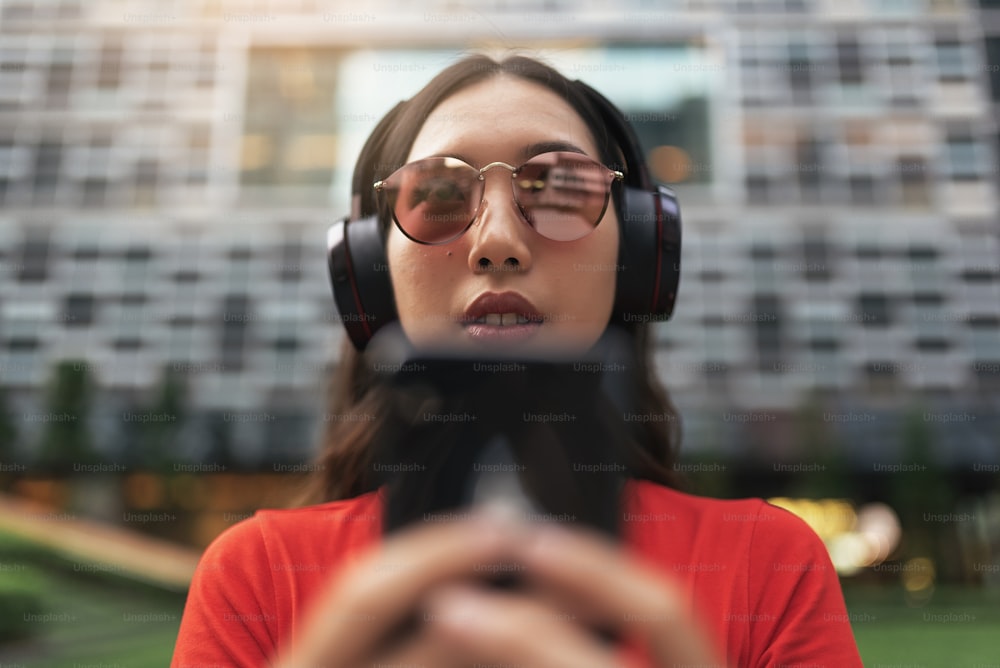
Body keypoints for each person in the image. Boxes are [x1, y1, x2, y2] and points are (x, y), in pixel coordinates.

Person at [172, 53, 863, 667]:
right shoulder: (257, 577)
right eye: (438, 193)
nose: (497, 241)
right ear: (370, 268)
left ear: (638, 256)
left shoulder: (769, 567)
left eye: (562, 187)